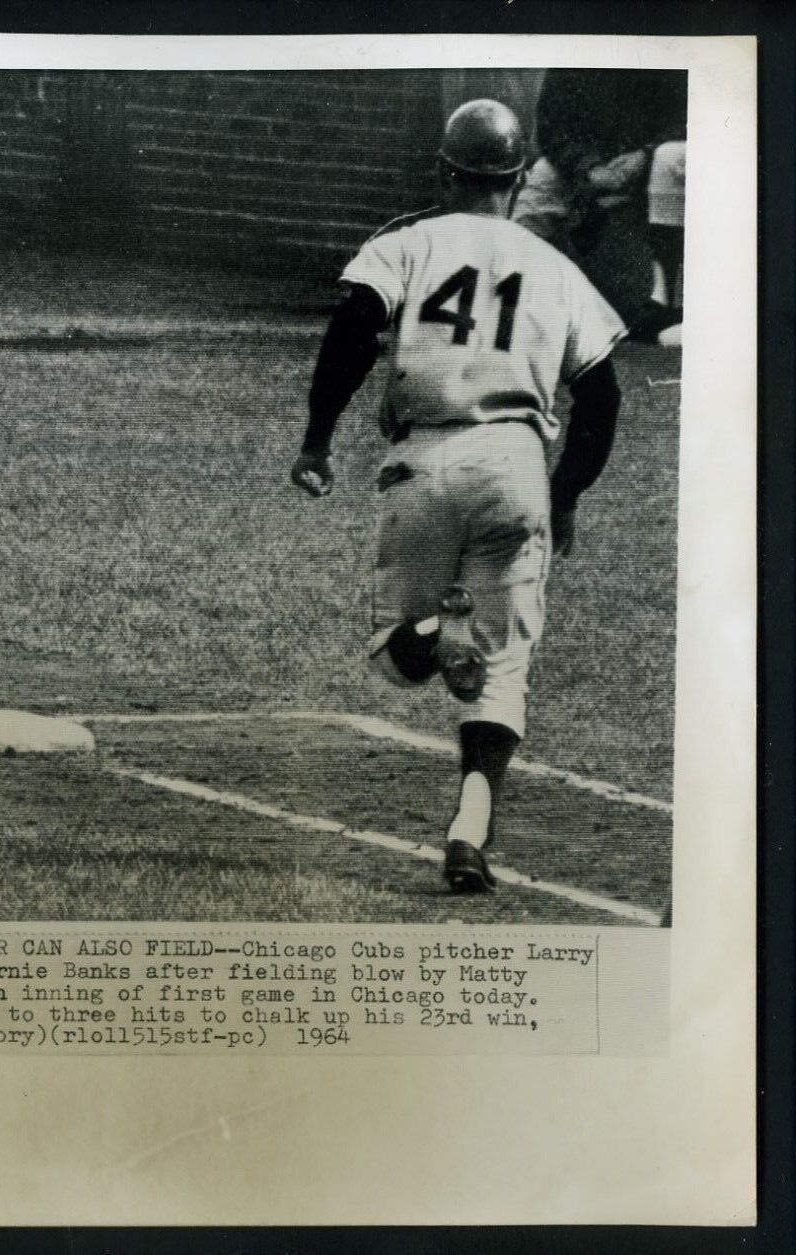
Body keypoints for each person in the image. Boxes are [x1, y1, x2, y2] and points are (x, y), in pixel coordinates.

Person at [289, 100, 625, 893]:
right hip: (516, 465)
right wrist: (568, 490)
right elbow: (603, 396)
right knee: (505, 665)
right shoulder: (557, 267)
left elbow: (352, 326)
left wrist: (317, 438)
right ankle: (470, 831)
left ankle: (438, 634)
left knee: (391, 652)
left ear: (445, 171)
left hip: (424, 459)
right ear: (515, 180)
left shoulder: (407, 241)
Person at [511, 68, 687, 342]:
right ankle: (507, 303)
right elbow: (551, 131)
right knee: (537, 194)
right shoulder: (571, 52)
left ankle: (661, 298)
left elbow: (689, 117)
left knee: (668, 158)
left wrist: (646, 154)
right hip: (590, 166)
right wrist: (589, 169)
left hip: (655, 160)